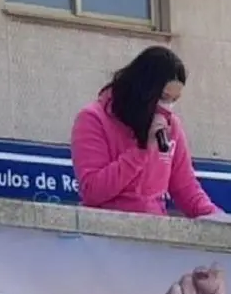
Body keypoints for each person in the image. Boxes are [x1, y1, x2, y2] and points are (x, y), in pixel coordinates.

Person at [70, 46, 220, 217]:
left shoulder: (171, 127)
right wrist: (142, 151)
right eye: (163, 98)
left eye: (174, 100)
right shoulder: (93, 119)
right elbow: (93, 191)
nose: (167, 108)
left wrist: (220, 220)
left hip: (153, 229)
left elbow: (186, 189)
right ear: (144, 92)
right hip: (105, 230)